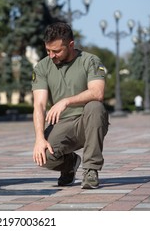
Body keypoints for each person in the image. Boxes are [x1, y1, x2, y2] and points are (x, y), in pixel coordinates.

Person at [31, 22, 109, 189]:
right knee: (44, 156)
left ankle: (91, 170)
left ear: (71, 45)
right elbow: (39, 104)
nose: (52, 55)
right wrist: (39, 138)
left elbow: (97, 93)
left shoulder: (90, 61)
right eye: (48, 51)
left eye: (56, 51)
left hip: (88, 120)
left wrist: (66, 101)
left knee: (95, 107)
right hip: (62, 124)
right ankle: (70, 163)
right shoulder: (42, 67)